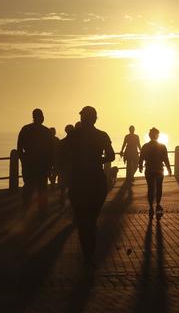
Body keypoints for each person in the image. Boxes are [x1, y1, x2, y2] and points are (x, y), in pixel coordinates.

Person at [64, 106, 115, 268]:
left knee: (81, 219)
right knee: (91, 219)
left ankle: (87, 252)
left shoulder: (73, 136)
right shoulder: (102, 135)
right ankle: (89, 253)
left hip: (78, 180)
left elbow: (62, 154)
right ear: (95, 119)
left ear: (82, 118)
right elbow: (111, 156)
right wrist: (97, 161)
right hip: (96, 181)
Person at [17, 109, 54, 214]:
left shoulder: (25, 129)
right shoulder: (46, 132)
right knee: (42, 188)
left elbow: (19, 148)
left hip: (29, 163)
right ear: (41, 117)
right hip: (43, 164)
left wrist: (24, 160)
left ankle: (26, 208)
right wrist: (50, 165)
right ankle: (42, 210)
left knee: (28, 185)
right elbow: (52, 151)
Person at [139, 127, 172, 218]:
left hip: (149, 170)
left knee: (150, 189)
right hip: (159, 170)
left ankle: (151, 207)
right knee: (159, 188)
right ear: (157, 136)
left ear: (149, 136)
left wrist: (140, 166)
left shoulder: (145, 146)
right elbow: (166, 159)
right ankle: (157, 204)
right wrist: (169, 169)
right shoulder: (162, 146)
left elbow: (141, 157)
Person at [58, 124, 75, 203]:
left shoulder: (61, 142)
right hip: (73, 168)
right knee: (72, 188)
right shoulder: (77, 143)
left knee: (62, 188)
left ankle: (62, 202)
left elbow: (58, 157)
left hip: (63, 168)